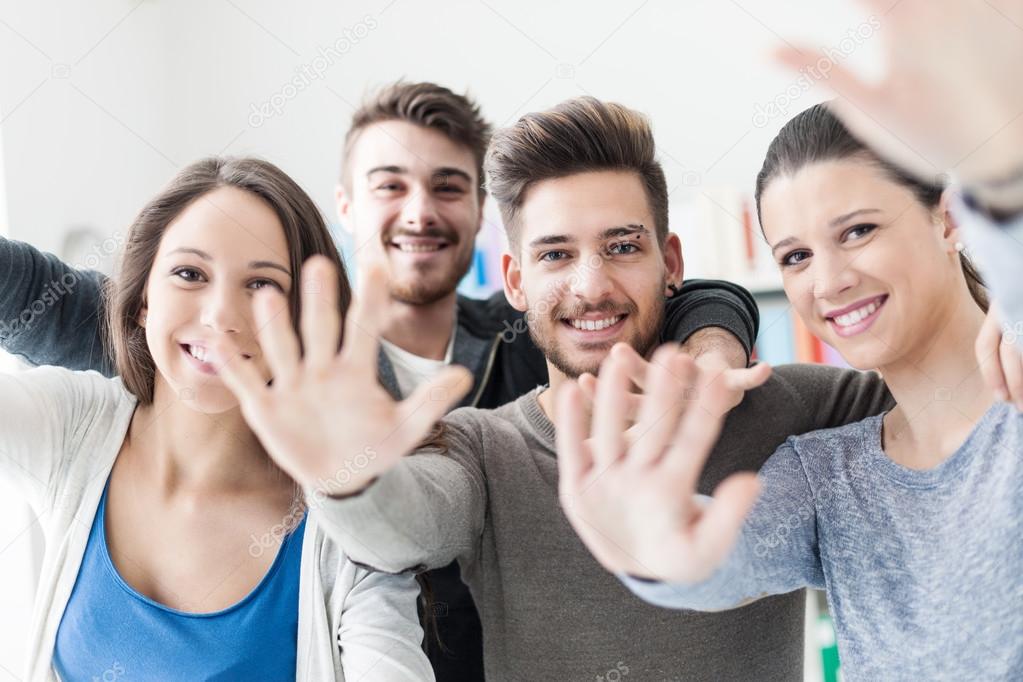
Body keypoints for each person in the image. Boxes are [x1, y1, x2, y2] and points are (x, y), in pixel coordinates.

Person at [0, 80, 760, 681]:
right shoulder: (223, 344)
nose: (419, 211)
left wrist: (715, 333)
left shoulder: (528, 342)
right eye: (389, 184)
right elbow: (96, 306)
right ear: (346, 209)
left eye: (449, 187)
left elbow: (645, 294)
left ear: (486, 227)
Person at [216, 97, 898, 680]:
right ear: (514, 280)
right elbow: (402, 528)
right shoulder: (484, 449)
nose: (591, 284)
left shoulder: (789, 405)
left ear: (672, 265)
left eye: (623, 246)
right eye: (555, 255)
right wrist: (344, 473)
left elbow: (960, 402)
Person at [555, 4, 1023, 673]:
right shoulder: (824, 473)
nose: (828, 282)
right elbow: (720, 553)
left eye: (858, 230)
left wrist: (1005, 177)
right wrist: (652, 547)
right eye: (795, 257)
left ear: (947, 219)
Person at [0, 157, 435, 681]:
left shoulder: (346, 529)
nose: (221, 316)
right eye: (190, 274)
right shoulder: (73, 428)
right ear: (141, 299)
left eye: (263, 286)